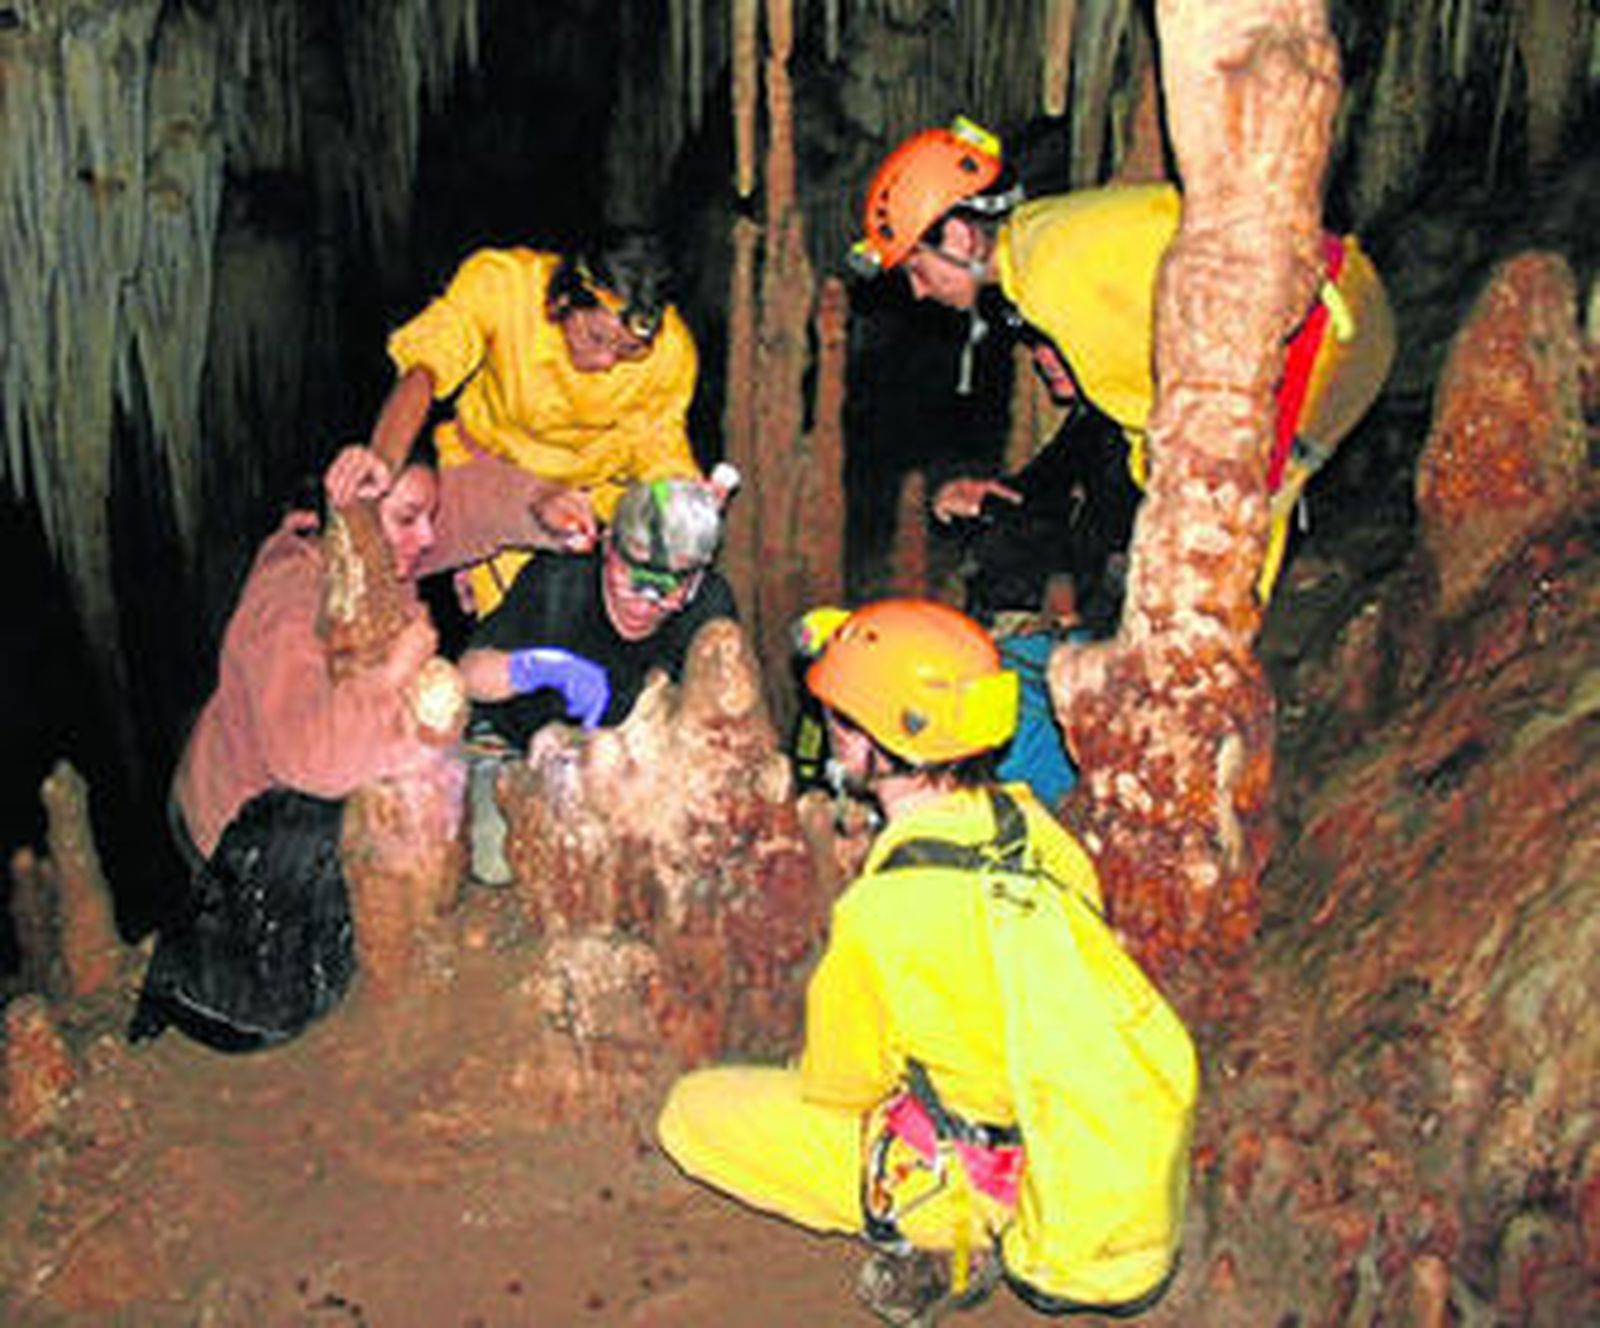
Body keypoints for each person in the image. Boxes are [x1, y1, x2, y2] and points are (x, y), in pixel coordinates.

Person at [658, 599, 1198, 1324]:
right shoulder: (1032, 823)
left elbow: (843, 1084)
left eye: (843, 719)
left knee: (690, 1114)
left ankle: (946, 1233)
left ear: (879, 743)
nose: (833, 731)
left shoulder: (884, 911)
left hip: (957, 1169)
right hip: (1063, 1139)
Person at [130, 444, 606, 1052]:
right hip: (240, 835)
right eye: (409, 519)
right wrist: (397, 678)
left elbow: (457, 504)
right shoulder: (290, 597)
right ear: (350, 512)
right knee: (268, 1015)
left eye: (426, 516)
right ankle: (199, 980)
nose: (429, 536)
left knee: (415, 790)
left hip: (303, 795)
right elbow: (311, 759)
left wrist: (537, 504)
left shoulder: (368, 549)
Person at [849, 115, 1397, 605]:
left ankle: (1210, 681)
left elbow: (1157, 431)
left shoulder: (1050, 280)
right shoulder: (1041, 240)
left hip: (1319, 326)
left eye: (918, 269)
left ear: (960, 236)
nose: (918, 292)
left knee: (1219, 529)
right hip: (1328, 299)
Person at [373, 227, 706, 619]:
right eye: (595, 337)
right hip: (494, 478)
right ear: (561, 300)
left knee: (621, 621)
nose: (606, 362)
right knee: (520, 628)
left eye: (629, 351)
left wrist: (685, 506)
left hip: (593, 497)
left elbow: (657, 444)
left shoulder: (672, 353)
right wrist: (382, 462)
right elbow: (425, 368)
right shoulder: (503, 288)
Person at [458, 471, 739, 752]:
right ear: (608, 545)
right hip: (524, 754)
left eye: (666, 592)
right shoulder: (559, 583)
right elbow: (467, 676)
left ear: (698, 576)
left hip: (640, 770)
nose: (642, 604)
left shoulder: (709, 610)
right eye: (630, 580)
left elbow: (723, 725)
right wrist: (538, 668)